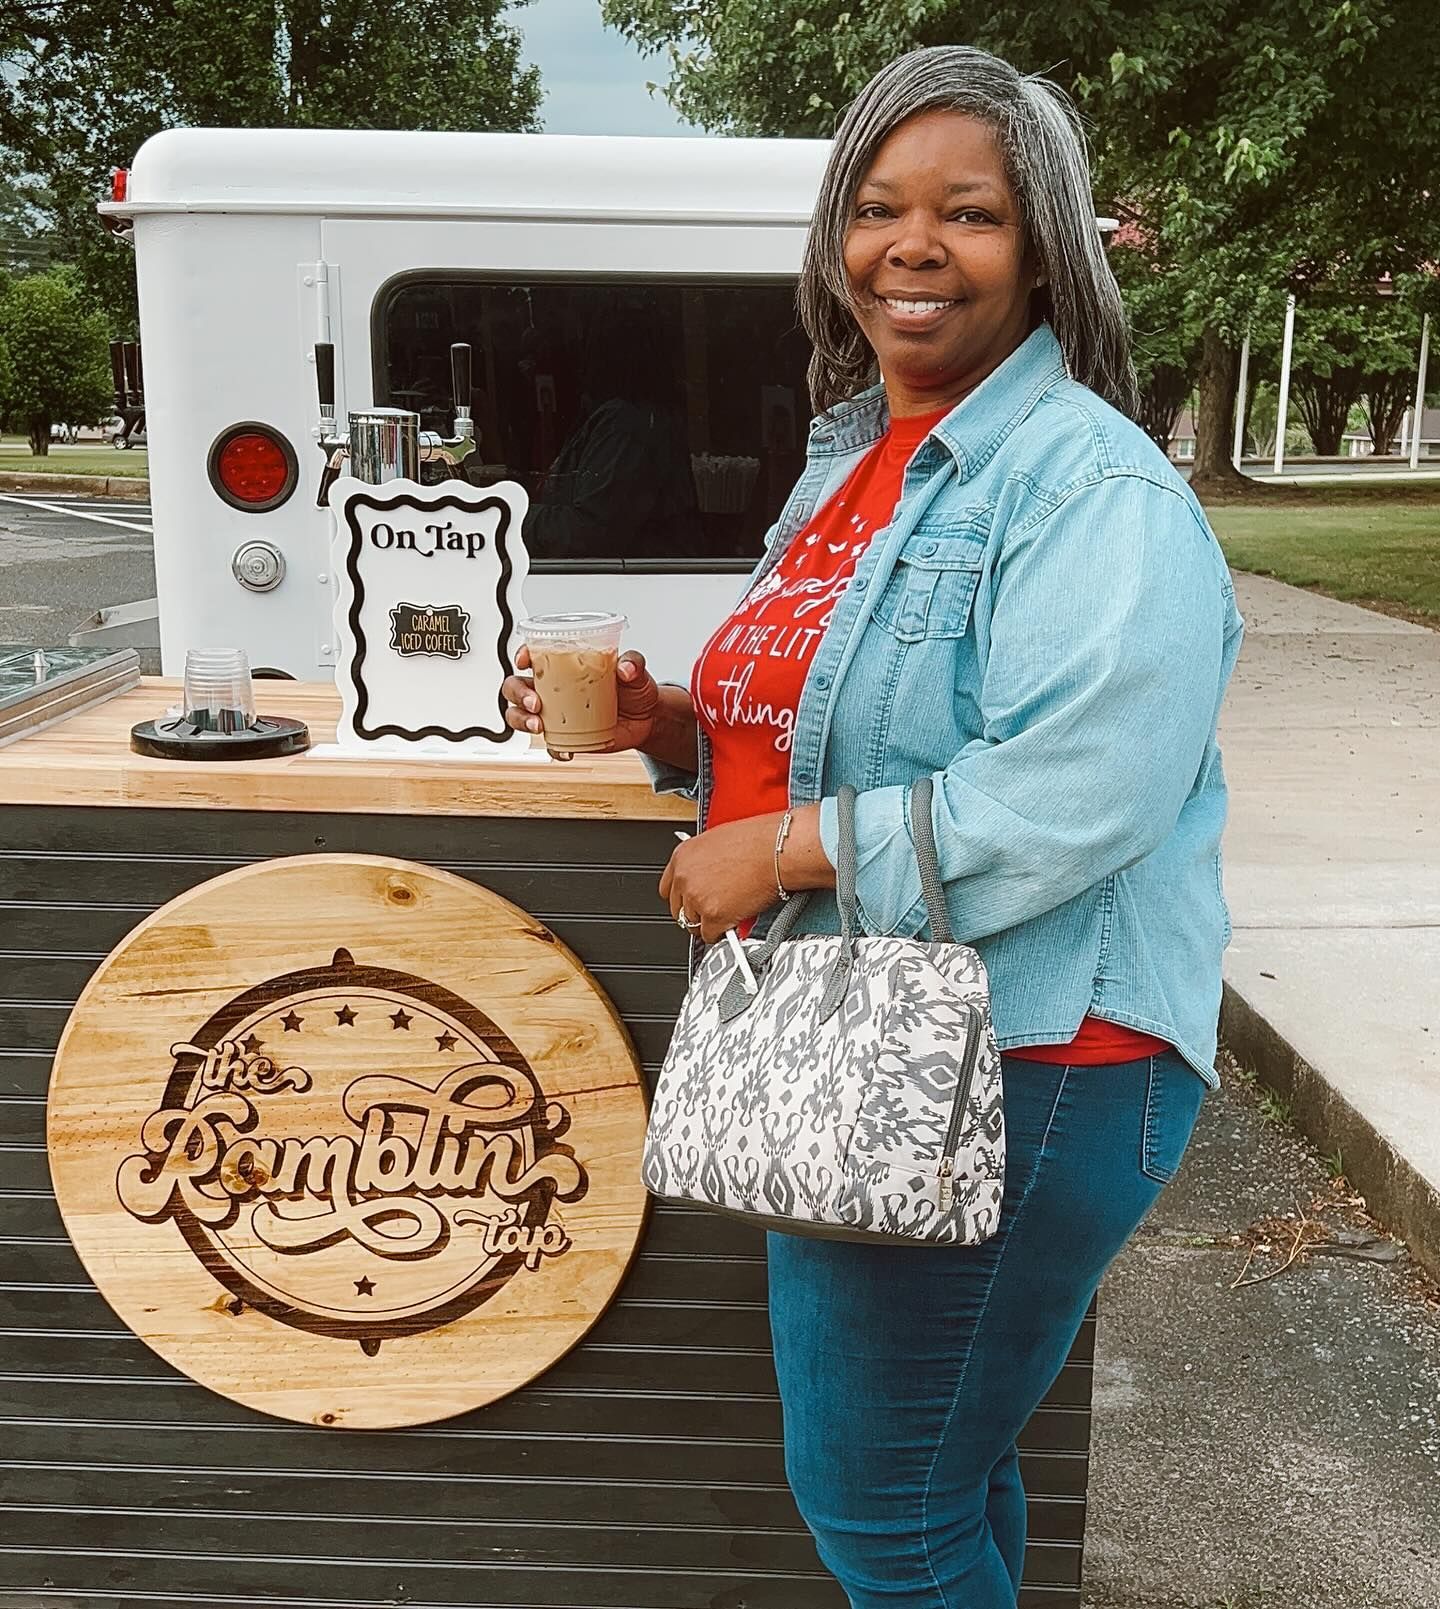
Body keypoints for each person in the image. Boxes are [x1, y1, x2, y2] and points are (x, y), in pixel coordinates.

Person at [503, 43, 1242, 1609]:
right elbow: (850, 719)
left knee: (882, 1507)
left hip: (1025, 1057)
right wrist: (677, 731)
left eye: (968, 214)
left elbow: (1079, 787)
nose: (913, 246)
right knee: (940, 1473)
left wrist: (774, 852)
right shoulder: (858, 463)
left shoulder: (1089, 490)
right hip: (871, 1038)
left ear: (1041, 245)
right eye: (878, 208)